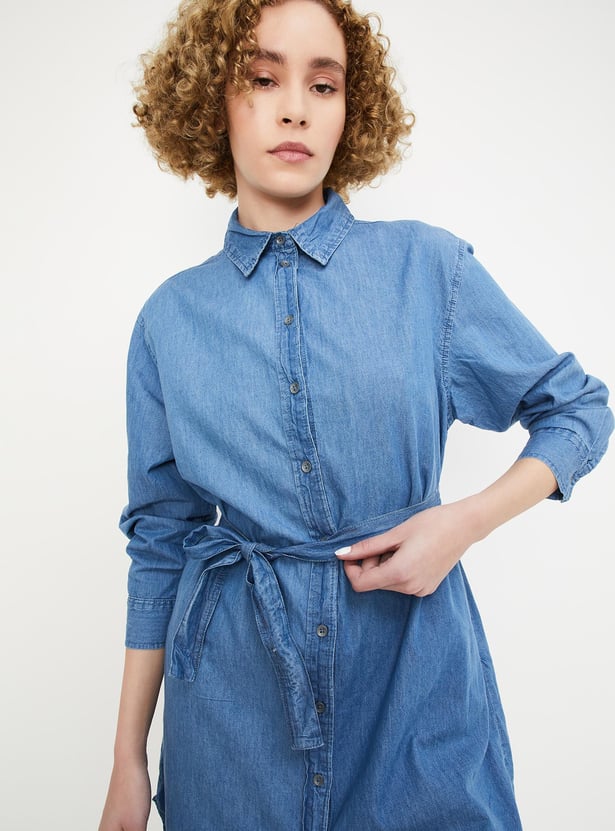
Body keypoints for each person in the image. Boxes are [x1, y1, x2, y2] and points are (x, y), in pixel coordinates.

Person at [99, 1, 613, 829]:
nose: (294, 109)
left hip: (416, 690)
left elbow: (577, 410)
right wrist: (126, 758)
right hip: (231, 717)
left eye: (323, 84)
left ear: (351, 111)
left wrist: (461, 523)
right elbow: (160, 542)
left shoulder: (426, 268)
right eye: (262, 78)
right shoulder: (169, 320)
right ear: (211, 100)